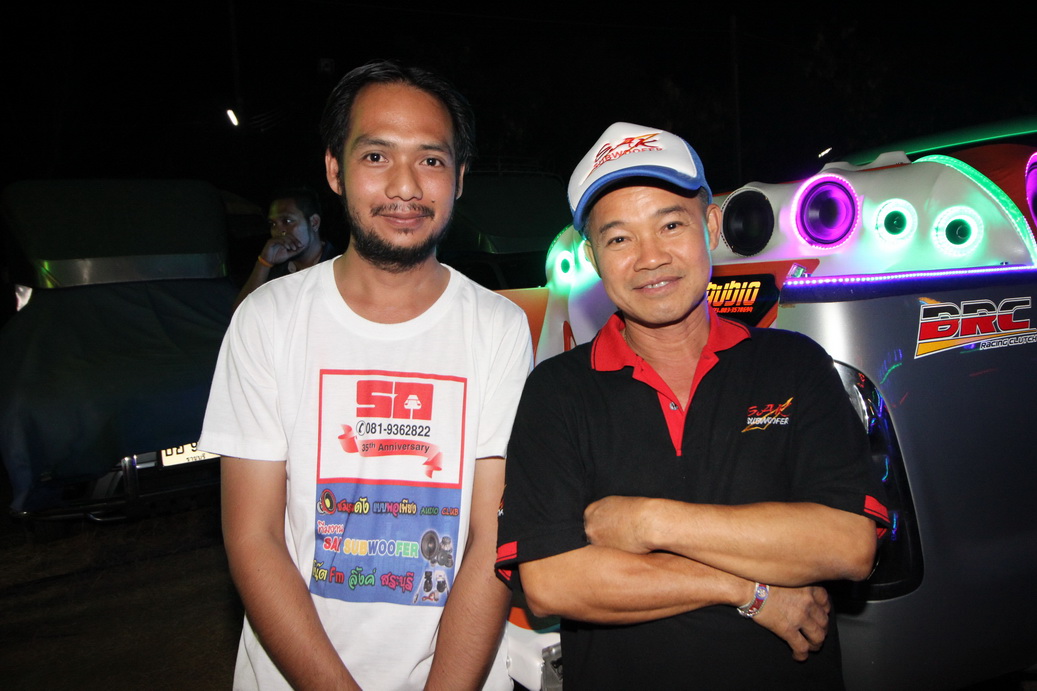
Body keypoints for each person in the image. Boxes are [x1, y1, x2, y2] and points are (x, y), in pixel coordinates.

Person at [495, 122, 889, 689]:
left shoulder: (794, 363)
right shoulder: (557, 391)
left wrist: (645, 521)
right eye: (619, 239)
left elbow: (847, 544)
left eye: (671, 225)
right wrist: (748, 591)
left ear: (710, 226)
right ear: (594, 258)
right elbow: (553, 583)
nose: (650, 258)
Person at [201, 60, 532, 690]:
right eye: (376, 156)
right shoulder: (266, 320)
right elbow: (253, 537)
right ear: (334, 169)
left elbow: (493, 537)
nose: (405, 186)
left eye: (431, 160)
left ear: (460, 178)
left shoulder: (498, 327)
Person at [234, 187, 337, 309]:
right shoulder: (275, 269)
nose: (279, 231)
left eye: (287, 221)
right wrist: (264, 263)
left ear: (314, 222)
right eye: (273, 224)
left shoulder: (339, 265)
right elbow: (240, 314)